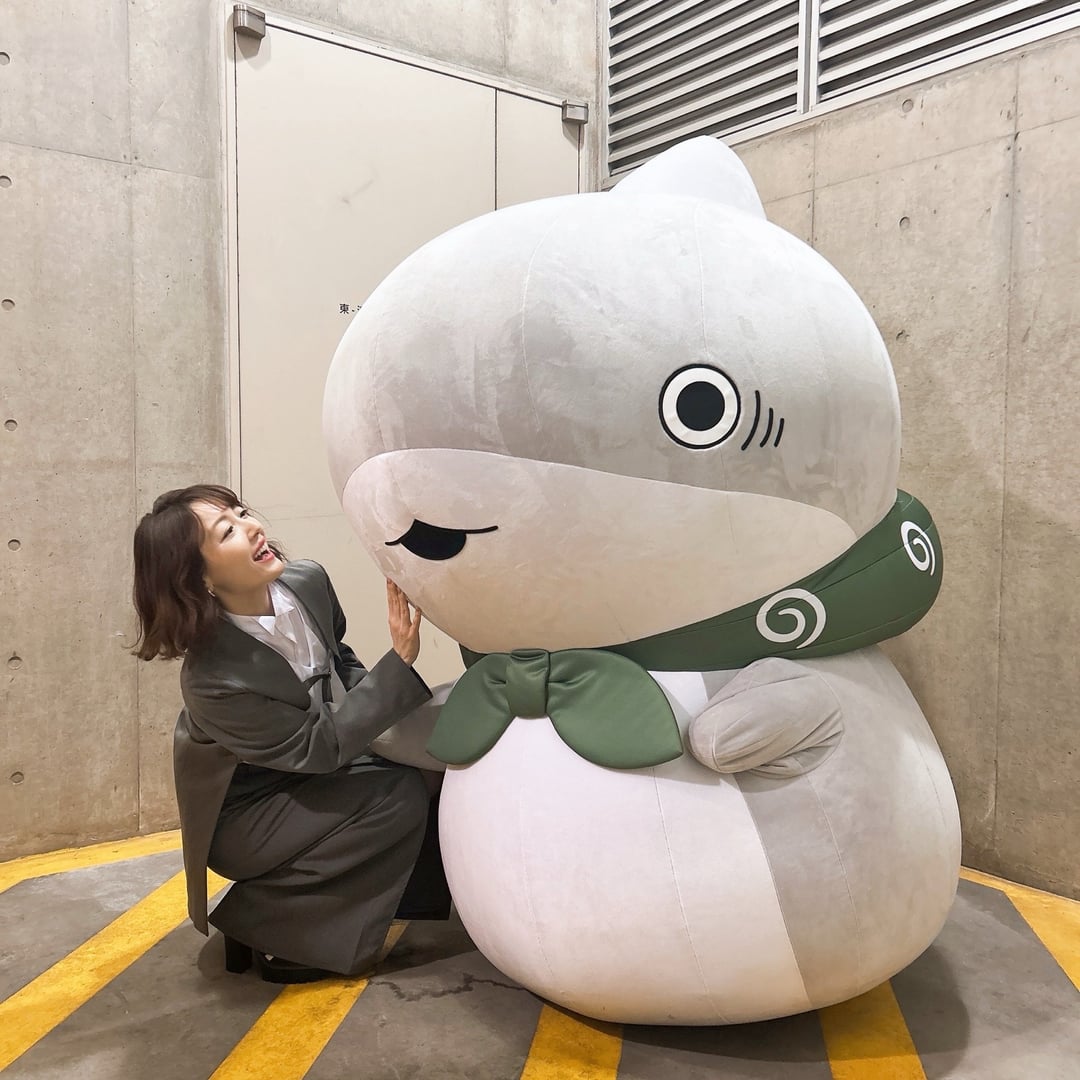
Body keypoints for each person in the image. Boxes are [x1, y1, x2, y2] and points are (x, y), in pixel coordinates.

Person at [132, 483, 450, 983]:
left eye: (242, 513)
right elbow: (316, 749)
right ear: (199, 578)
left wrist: (389, 718)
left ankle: (382, 901)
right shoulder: (211, 678)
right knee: (397, 794)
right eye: (227, 531)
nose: (253, 527)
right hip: (249, 812)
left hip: (313, 772)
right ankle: (270, 928)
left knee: (429, 770)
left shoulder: (308, 582)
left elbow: (340, 659)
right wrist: (399, 664)